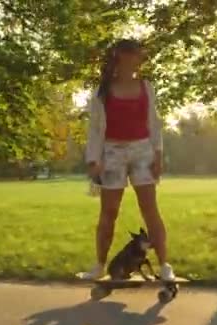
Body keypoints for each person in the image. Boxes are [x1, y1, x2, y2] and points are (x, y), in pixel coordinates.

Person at [77, 39, 174, 281]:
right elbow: (95, 129)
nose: (133, 63)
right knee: (109, 212)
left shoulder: (146, 87)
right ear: (117, 59)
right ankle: (99, 266)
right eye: (128, 58)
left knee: (150, 210)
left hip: (142, 151)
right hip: (112, 153)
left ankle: (164, 267)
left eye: (137, 58)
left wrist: (158, 156)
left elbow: (154, 124)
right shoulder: (102, 91)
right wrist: (93, 160)